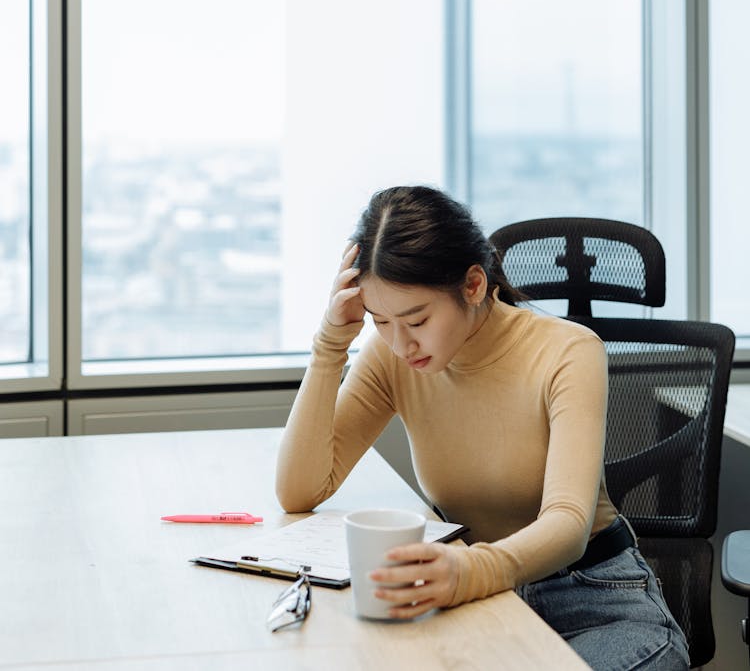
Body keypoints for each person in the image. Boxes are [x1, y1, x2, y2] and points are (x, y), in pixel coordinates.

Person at [275, 185, 689, 670]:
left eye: (417, 319)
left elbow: (568, 524)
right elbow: (299, 490)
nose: (401, 343)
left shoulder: (569, 352)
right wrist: (330, 344)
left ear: (473, 285)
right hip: (479, 601)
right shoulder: (390, 358)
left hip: (595, 599)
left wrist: (468, 570)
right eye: (379, 321)